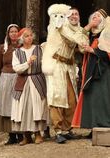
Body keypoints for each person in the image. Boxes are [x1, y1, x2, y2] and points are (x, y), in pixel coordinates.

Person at [42, 4, 89, 144]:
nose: (74, 16)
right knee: (57, 98)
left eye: (77, 14)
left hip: (69, 66)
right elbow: (75, 38)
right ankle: (58, 131)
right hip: (56, 65)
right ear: (66, 17)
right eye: (71, 14)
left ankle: (67, 129)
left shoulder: (77, 30)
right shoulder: (59, 26)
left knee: (71, 98)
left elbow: (81, 47)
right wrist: (87, 29)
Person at [72, 9, 110, 134]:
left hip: (103, 71)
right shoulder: (92, 33)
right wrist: (89, 26)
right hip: (91, 69)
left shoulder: (107, 32)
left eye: (98, 16)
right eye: (93, 16)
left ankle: (103, 124)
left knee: (102, 97)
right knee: (92, 97)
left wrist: (92, 50)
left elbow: (108, 53)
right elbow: (78, 36)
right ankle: (94, 126)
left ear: (103, 20)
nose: (95, 18)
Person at [11, 28, 48, 145]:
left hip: (37, 80)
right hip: (23, 81)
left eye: (31, 35)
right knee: (23, 107)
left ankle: (38, 134)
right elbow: (16, 68)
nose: (30, 38)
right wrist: (28, 63)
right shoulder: (16, 52)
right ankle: (26, 136)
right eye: (27, 36)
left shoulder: (39, 49)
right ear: (22, 39)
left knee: (37, 106)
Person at [0, 24, 23, 145]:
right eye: (11, 32)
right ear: (8, 34)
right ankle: (11, 135)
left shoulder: (22, 47)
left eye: (16, 31)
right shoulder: (3, 48)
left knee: (18, 105)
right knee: (7, 107)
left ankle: (21, 134)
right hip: (5, 78)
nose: (14, 34)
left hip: (18, 77)